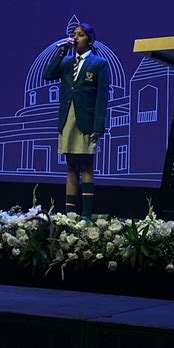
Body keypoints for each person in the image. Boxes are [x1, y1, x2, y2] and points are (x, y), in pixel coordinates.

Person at [43, 23, 109, 219]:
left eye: (80, 35)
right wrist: (62, 50)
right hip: (68, 118)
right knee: (71, 166)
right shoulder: (66, 62)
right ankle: (70, 216)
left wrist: (98, 125)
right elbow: (47, 74)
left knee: (86, 165)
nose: (76, 38)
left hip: (86, 120)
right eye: (74, 34)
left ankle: (86, 215)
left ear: (90, 40)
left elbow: (102, 97)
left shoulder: (99, 63)